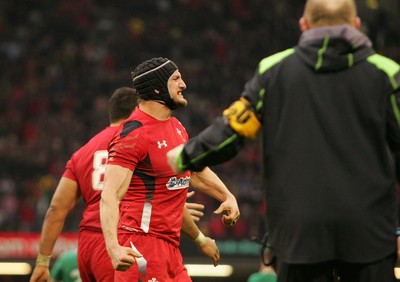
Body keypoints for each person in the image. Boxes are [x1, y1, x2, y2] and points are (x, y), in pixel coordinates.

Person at [167, 0, 400, 281]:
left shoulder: (274, 70)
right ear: (356, 24)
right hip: (369, 232)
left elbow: (233, 130)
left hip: (299, 233)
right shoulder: (387, 72)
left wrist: (185, 156)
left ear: (303, 25)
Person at [30, 87, 218, 282]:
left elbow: (56, 209)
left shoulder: (82, 153)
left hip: (86, 247)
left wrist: (43, 261)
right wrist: (167, 203)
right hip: (117, 240)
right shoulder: (137, 139)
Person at [100, 57, 240, 282]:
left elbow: (194, 171)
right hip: (141, 248)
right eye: (176, 79)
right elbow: (109, 195)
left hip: (171, 251)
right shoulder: (133, 134)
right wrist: (113, 248)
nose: (183, 85)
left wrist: (227, 196)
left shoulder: (176, 127)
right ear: (157, 87)